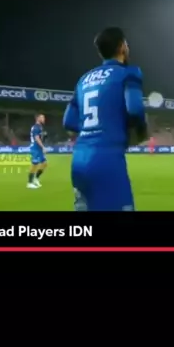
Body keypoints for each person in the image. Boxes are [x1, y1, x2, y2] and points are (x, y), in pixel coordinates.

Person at [63, 27, 147, 211]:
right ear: (122, 46)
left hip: (79, 159)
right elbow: (135, 110)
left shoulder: (83, 80)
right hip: (108, 159)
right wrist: (139, 131)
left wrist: (94, 128)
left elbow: (68, 121)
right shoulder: (129, 73)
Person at [27, 113, 47, 188]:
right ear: (38, 118)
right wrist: (43, 147)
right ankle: (29, 183)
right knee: (34, 165)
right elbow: (37, 138)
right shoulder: (36, 127)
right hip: (35, 148)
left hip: (38, 148)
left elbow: (40, 137)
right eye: (42, 117)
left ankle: (36, 178)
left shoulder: (40, 127)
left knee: (44, 163)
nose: (44, 119)